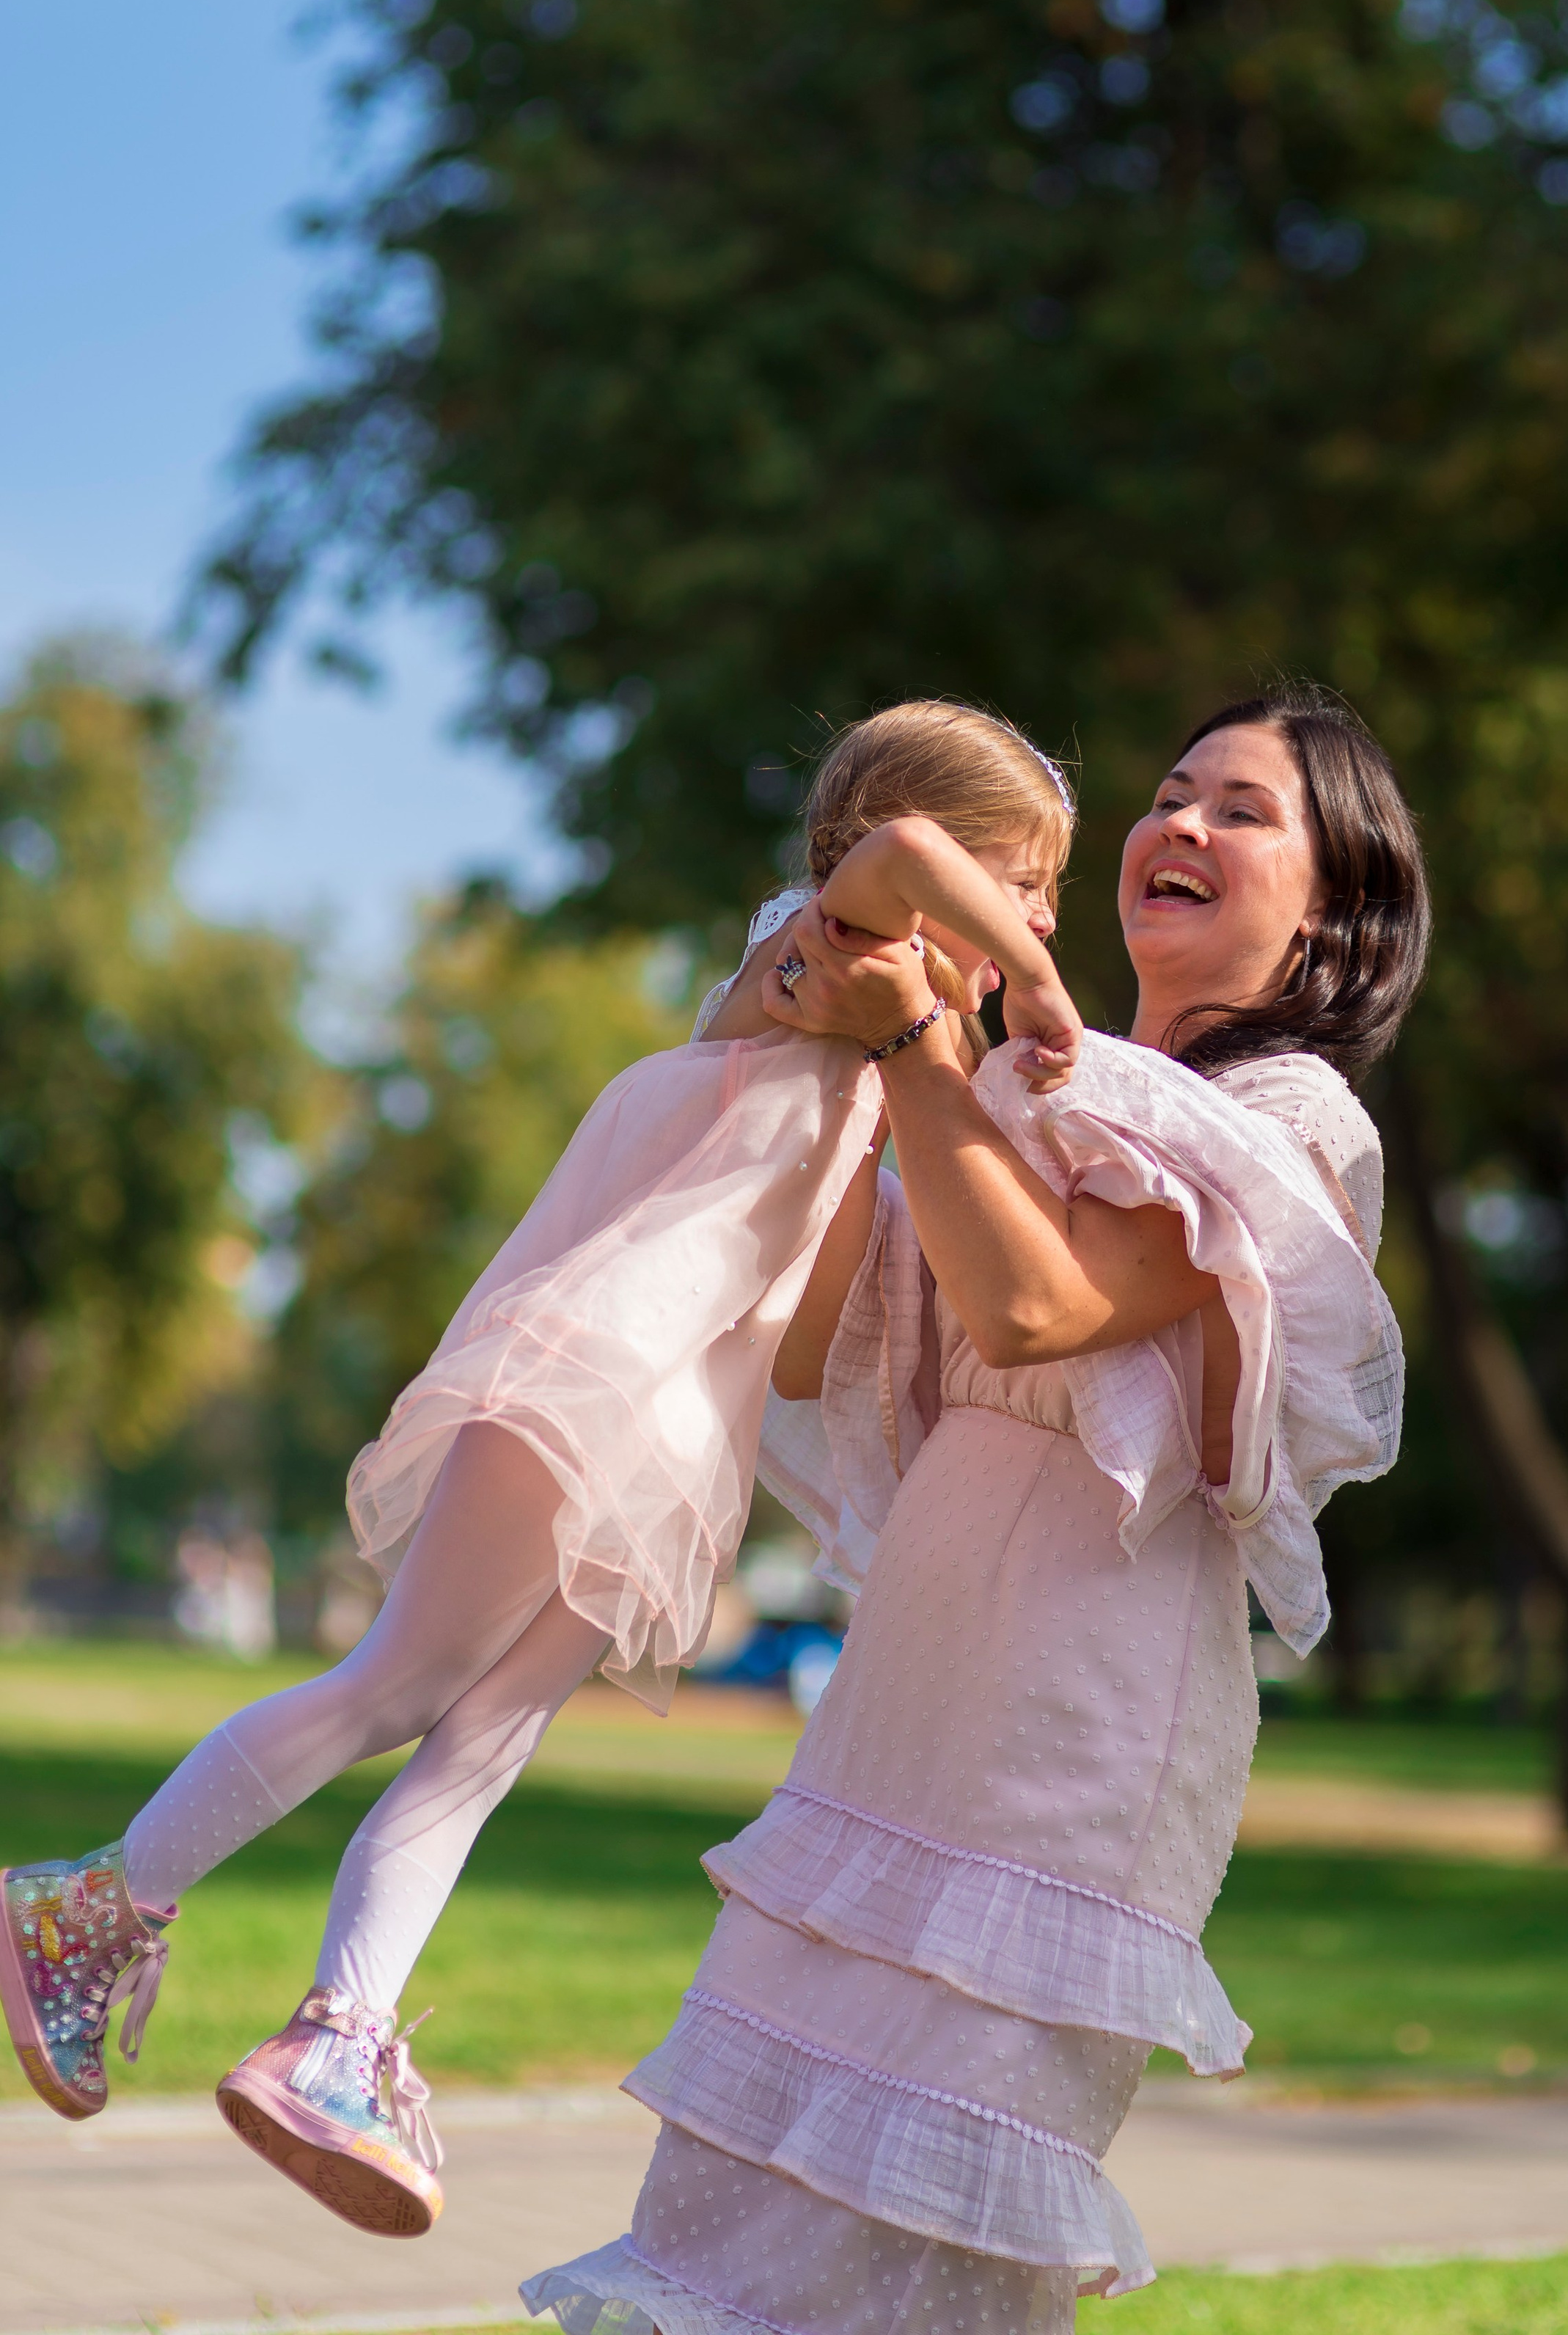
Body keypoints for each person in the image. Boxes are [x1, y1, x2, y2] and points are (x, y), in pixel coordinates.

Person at [0, 702, 1078, 2242]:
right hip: (593, 1376)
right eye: (1026, 882)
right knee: (397, 1682)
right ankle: (87, 1905)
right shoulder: (818, 939)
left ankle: (341, 2036)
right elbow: (903, 852)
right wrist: (1032, 980)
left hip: (677, 1441)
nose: (1038, 919)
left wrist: (929, 1077)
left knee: (483, 1745)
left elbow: (801, 1336)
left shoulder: (885, 1035)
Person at [522, 684, 1430, 2335]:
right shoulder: (1008, 1084)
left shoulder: (1291, 1124)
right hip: (908, 1686)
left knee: (923, 2214)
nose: (1180, 822)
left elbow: (1034, 1310)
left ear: (1331, 915)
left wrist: (915, 1053)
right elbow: (816, 1343)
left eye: (1242, 811)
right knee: (745, 2188)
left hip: (1077, 1716)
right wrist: (839, 1055)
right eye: (1172, 792)